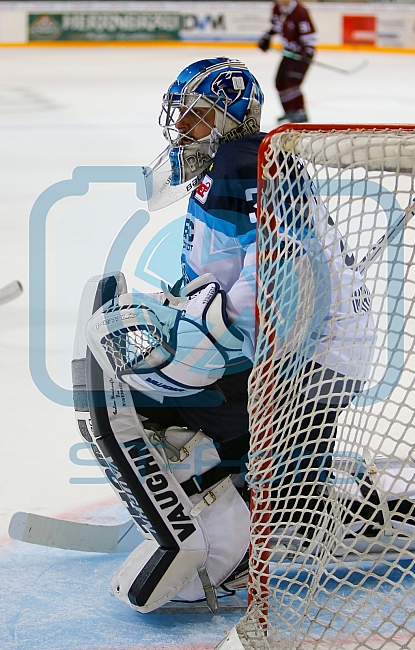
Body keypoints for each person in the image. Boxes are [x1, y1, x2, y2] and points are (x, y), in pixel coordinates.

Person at [78, 57, 375, 614]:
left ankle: (228, 534)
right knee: (281, 487)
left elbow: (281, 283)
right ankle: (252, 504)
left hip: (313, 355)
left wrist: (203, 338)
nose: (182, 130)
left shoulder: (249, 163)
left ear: (230, 118)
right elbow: (218, 271)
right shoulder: (232, 162)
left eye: (196, 118)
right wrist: (185, 309)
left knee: (162, 396)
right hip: (311, 346)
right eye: (181, 118)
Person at [258, 0, 317, 123]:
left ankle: (300, 112)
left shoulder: (300, 11)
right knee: (280, 81)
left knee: (292, 82)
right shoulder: (277, 8)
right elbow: (275, 25)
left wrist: (307, 51)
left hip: (301, 54)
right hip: (289, 53)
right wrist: (267, 37)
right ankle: (289, 111)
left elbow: (310, 34)